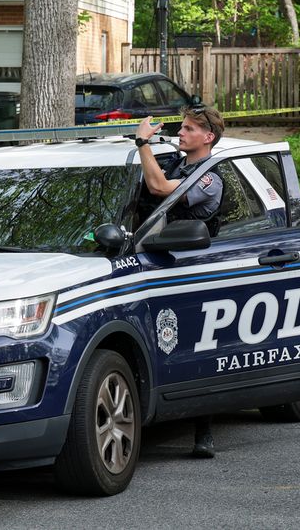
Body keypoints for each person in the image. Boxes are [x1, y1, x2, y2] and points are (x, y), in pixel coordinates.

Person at [135, 103, 226, 459]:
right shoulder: (177, 162)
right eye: (182, 127)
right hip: (163, 263)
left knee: (197, 345)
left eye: (189, 129)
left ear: (208, 138)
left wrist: (143, 143)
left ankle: (203, 430)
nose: (181, 133)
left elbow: (159, 187)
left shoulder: (209, 177)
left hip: (197, 269)